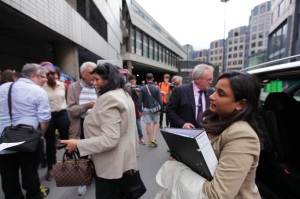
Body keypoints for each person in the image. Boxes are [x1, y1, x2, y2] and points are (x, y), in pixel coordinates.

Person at [155, 71, 263, 199]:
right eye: (215, 91)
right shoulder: (215, 121)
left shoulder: (242, 136)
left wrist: (177, 168)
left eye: (221, 94)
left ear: (240, 104)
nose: (211, 96)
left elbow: (218, 194)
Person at [61, 63, 138, 199]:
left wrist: (77, 144)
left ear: (108, 79)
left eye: (97, 79)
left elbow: (109, 140)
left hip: (111, 165)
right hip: (122, 160)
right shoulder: (123, 94)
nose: (94, 83)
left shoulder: (109, 98)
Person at [0, 63, 51, 199]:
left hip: (4, 138)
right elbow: (44, 118)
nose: (46, 79)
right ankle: (34, 195)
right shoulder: (38, 91)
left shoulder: (3, 88)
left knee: (8, 175)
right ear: (33, 76)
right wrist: (41, 135)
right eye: (43, 77)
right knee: (30, 173)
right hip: (29, 139)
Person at [67, 61, 97, 196]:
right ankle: (83, 180)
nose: (94, 75)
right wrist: (87, 106)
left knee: (97, 152)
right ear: (82, 74)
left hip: (96, 126)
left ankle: (97, 175)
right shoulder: (73, 87)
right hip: (81, 125)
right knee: (82, 154)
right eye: (91, 72)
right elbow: (71, 110)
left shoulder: (98, 86)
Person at [41, 61, 70, 181]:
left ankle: (69, 164)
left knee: (66, 140)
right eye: (48, 74)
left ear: (56, 73)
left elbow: (68, 100)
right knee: (50, 143)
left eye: (53, 73)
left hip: (62, 114)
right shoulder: (41, 88)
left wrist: (70, 116)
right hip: (49, 116)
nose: (51, 76)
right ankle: (50, 167)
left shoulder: (63, 85)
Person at [166, 64, 214, 129]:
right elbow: (170, 110)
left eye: (212, 79)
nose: (211, 82)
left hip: (205, 135)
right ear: (197, 79)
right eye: (208, 79)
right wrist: (183, 124)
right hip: (185, 135)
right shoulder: (180, 90)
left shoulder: (212, 93)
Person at [138, 73, 163, 147]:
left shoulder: (143, 88)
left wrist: (140, 110)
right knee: (155, 123)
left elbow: (140, 100)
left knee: (148, 124)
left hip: (146, 109)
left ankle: (149, 140)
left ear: (146, 79)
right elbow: (160, 100)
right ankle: (154, 138)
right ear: (153, 79)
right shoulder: (157, 88)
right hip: (155, 109)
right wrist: (160, 109)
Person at [128, 74, 146, 145]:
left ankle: (141, 137)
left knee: (138, 123)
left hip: (137, 106)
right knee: (129, 124)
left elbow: (140, 97)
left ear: (135, 81)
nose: (132, 83)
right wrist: (129, 90)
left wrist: (135, 90)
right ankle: (130, 138)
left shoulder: (140, 87)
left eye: (133, 81)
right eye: (131, 81)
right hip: (129, 106)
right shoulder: (127, 87)